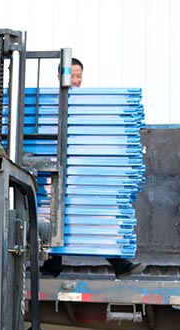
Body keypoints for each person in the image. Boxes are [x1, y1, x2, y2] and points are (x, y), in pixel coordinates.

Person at [43, 57, 145, 279]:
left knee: (84, 218)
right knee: (54, 214)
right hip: (56, 169)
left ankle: (118, 263)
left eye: (79, 76)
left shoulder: (86, 104)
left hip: (81, 170)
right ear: (60, 76)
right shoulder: (49, 102)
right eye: (72, 76)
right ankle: (53, 265)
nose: (76, 81)